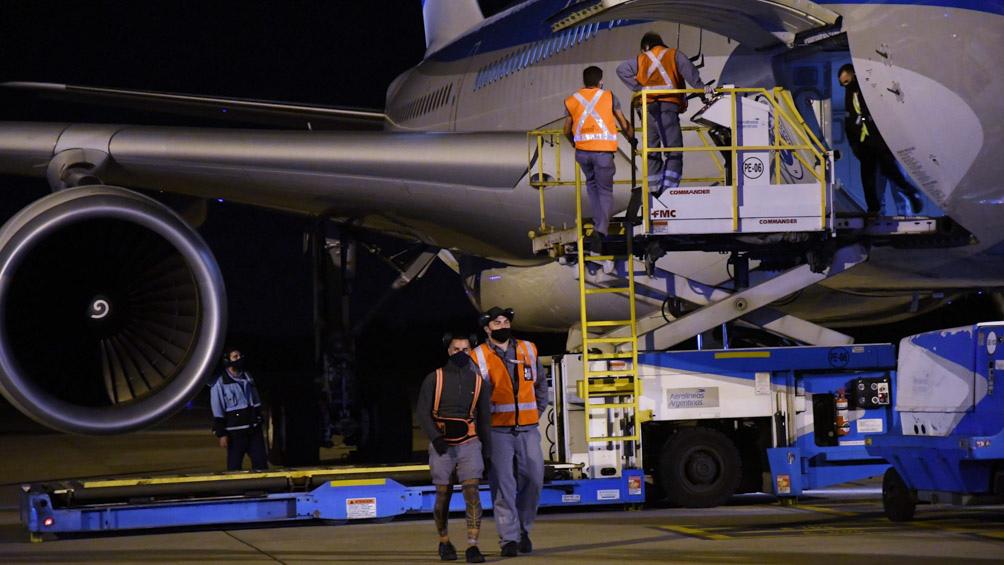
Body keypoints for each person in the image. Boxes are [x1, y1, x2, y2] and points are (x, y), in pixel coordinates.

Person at [471, 307, 547, 557]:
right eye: (496, 323)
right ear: (487, 328)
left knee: (534, 480)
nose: (502, 326)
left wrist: (536, 413)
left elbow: (540, 385)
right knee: (503, 486)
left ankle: (524, 530)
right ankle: (509, 540)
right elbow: (474, 397)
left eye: (505, 321)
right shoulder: (478, 356)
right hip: (498, 432)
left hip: (528, 429)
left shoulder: (528, 349)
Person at [417, 333, 492, 563]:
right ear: (448, 351)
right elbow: (422, 411)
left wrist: (487, 452)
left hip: (469, 443)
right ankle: (444, 541)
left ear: (471, 351)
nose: (461, 353)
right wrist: (436, 438)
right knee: (443, 495)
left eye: (465, 349)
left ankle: (472, 545)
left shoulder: (479, 382)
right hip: (442, 445)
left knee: (472, 493)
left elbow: (484, 418)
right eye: (456, 349)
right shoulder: (434, 378)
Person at [617, 31, 714, 195]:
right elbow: (691, 74)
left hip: (648, 110)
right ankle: (668, 191)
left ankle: (653, 192)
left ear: (646, 47)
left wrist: (640, 89)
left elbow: (622, 70)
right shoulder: (673, 55)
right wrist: (703, 93)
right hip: (667, 108)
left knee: (651, 151)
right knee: (674, 151)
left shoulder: (642, 59)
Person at [563, 65, 634, 254]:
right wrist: (631, 138)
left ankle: (598, 223)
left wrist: (574, 143)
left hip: (583, 153)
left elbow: (566, 130)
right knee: (605, 191)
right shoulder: (609, 97)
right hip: (603, 152)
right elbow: (623, 121)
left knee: (592, 187)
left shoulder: (572, 100)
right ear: (600, 81)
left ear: (584, 82)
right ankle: (600, 231)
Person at [838, 64, 924, 216]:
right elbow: (850, 121)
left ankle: (910, 194)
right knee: (868, 177)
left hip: (879, 139)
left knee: (891, 171)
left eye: (847, 81)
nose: (845, 85)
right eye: (842, 83)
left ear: (854, 76)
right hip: (864, 142)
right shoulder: (850, 94)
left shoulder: (868, 89)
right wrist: (855, 145)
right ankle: (874, 209)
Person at [210, 348, 268, 471]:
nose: (239, 358)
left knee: (261, 463)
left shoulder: (247, 376)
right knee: (234, 466)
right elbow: (217, 409)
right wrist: (221, 434)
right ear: (227, 360)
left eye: (240, 356)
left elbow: (255, 398)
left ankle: (262, 488)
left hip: (253, 429)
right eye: (235, 356)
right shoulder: (219, 383)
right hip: (235, 433)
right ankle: (234, 490)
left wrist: (259, 417)